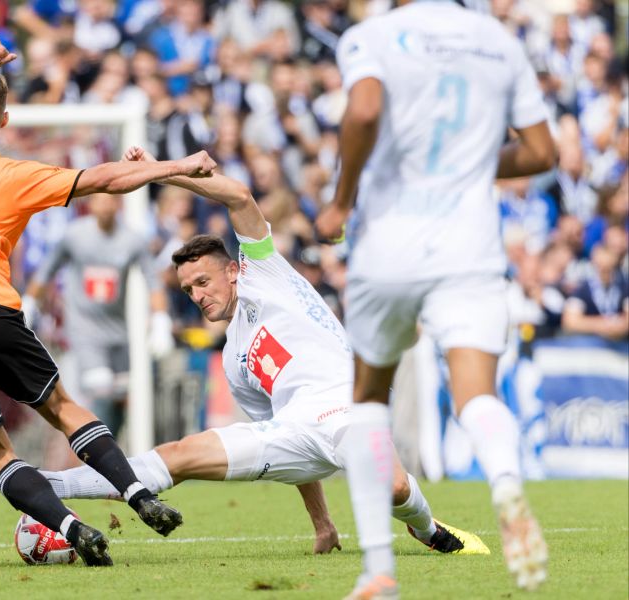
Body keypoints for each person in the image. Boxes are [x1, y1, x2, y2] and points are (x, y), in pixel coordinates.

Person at [40, 146, 488, 560]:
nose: (197, 295)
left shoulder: (265, 273)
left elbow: (237, 195)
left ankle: (427, 529)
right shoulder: (235, 359)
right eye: (188, 289)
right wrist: (323, 523)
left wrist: (164, 171)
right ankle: (42, 483)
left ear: (233, 271)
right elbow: (287, 450)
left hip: (347, 407)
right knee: (179, 454)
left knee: (390, 488)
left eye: (203, 282)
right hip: (296, 430)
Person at [0, 38, 216, 567]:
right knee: (65, 410)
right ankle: (137, 494)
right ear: (5, 119)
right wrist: (174, 166)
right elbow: (107, 180)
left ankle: (69, 527)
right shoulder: (14, 175)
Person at [314, 2, 557, 597]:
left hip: (390, 247)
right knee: (477, 396)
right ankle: (504, 480)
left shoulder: (372, 35)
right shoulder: (498, 40)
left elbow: (365, 108)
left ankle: (378, 572)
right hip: (469, 248)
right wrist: (467, 169)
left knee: (369, 399)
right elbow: (543, 153)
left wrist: (342, 199)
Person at [25, 192, 174, 438]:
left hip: (119, 332)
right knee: (100, 388)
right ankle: (97, 462)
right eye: (99, 200)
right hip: (85, 329)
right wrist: (29, 304)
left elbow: (154, 283)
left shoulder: (132, 240)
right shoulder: (74, 236)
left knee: (120, 397)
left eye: (110, 200)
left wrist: (160, 321)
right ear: (90, 204)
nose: (105, 205)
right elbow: (46, 271)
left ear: (118, 204)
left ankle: (106, 455)